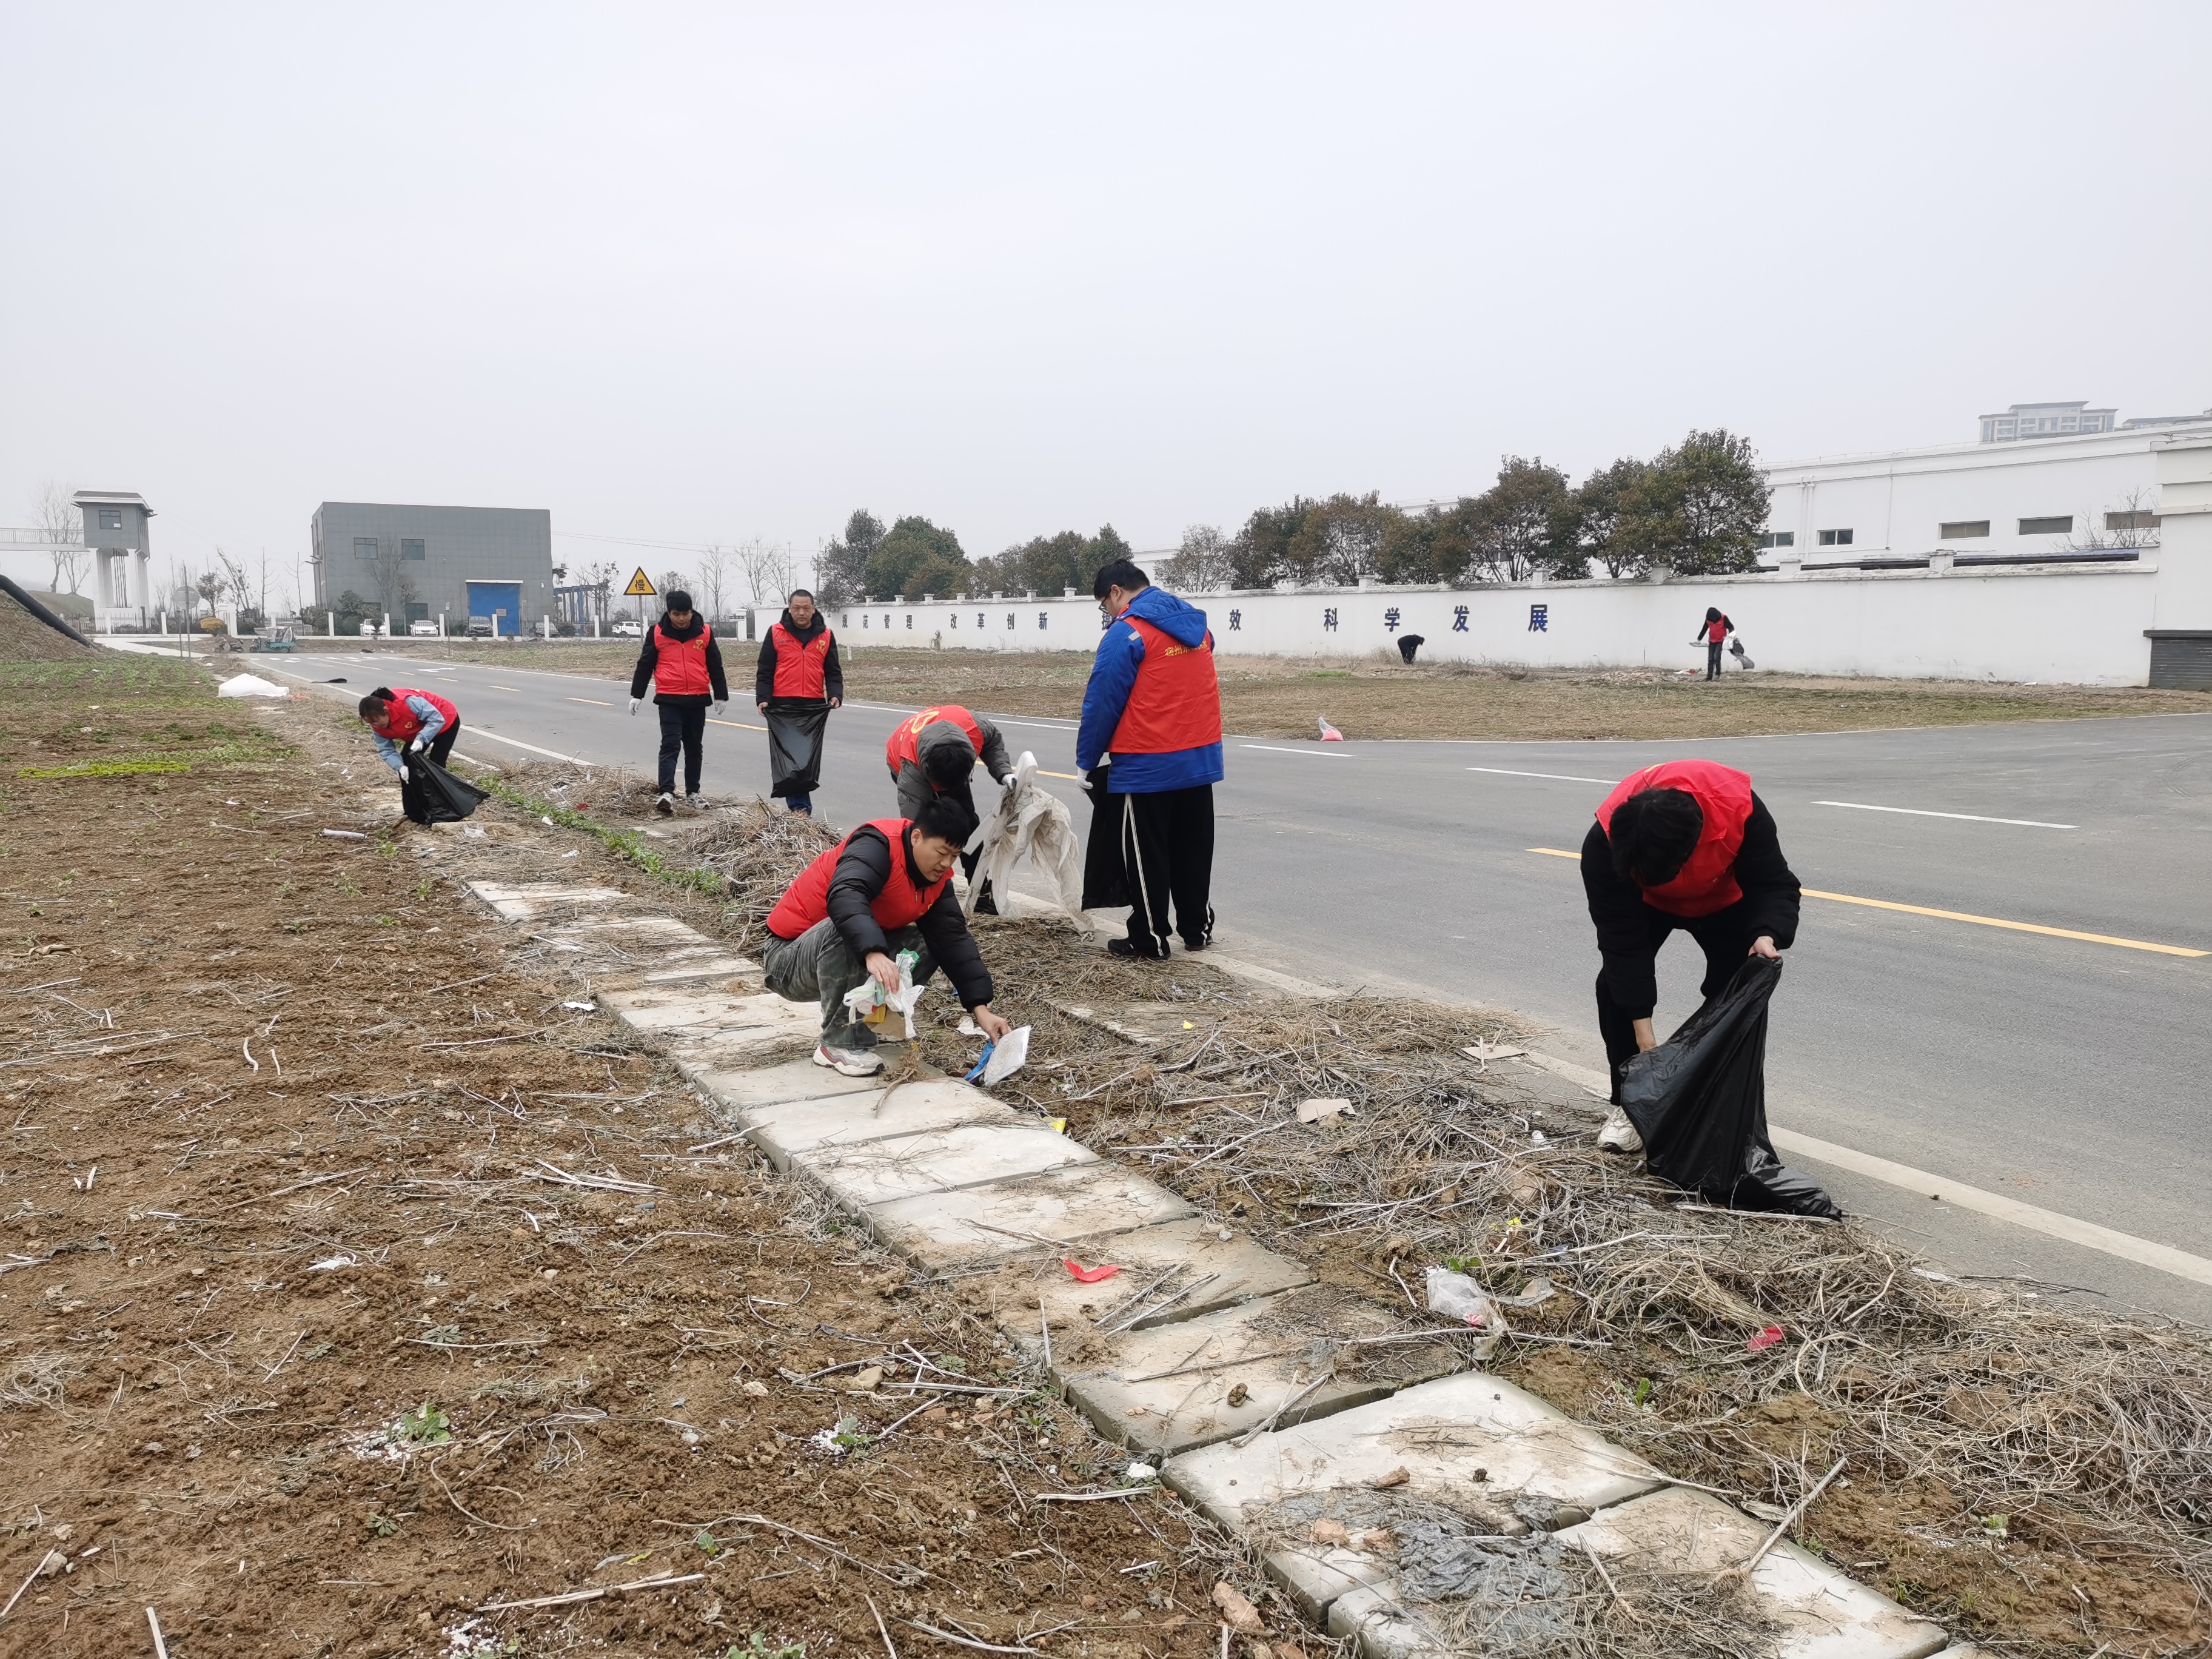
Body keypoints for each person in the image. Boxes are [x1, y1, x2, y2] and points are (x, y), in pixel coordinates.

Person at [1581, 759, 1801, 1151]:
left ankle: (1722, 1108)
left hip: (1725, 901)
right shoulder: (1606, 840)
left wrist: (1767, 934)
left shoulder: (1741, 810)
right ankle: (1629, 1105)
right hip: (1646, 905)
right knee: (1614, 988)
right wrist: (1646, 1045)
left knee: (1736, 994)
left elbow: (1774, 884)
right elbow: (1622, 943)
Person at [761, 794, 1014, 1075]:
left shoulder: (937, 881)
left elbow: (952, 939)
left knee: (929, 945)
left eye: (954, 856)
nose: (946, 864)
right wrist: (873, 952)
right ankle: (837, 1045)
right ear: (917, 837)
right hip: (787, 960)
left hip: (831, 958)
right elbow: (846, 896)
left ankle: (872, 1024)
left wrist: (981, 1010)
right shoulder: (876, 846)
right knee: (845, 926)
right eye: (941, 853)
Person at [1075, 557, 1223, 959]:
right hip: (1199, 761)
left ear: (1117, 593)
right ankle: (1197, 929)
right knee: (1193, 850)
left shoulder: (1129, 634)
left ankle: (1150, 938)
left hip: (1147, 766)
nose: (1108, 613)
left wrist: (1086, 759)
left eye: (1105, 604)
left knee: (1146, 855)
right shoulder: (1198, 629)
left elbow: (1103, 702)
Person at [884, 703, 1014, 911]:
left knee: (969, 825)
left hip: (947, 764)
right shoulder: (912, 773)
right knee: (933, 837)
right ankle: (928, 896)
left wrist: (1004, 772)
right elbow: (915, 831)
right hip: (906, 758)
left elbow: (993, 743)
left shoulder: (974, 728)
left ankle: (982, 894)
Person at [627, 590, 729, 814]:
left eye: (686, 613)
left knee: (694, 748)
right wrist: (637, 694)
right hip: (669, 699)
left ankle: (693, 793)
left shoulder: (704, 632)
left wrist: (721, 694)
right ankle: (666, 792)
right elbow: (645, 665)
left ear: (692, 612)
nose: (682, 619)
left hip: (697, 698)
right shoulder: (657, 633)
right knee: (670, 745)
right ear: (669, 612)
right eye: (676, 614)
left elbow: (715, 664)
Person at [754, 588, 842, 815]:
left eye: (806, 608)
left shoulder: (825, 635)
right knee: (792, 758)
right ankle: (800, 807)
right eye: (796, 608)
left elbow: (833, 671)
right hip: (783, 705)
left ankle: (800, 806)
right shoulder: (776, 632)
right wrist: (763, 698)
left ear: (814, 609)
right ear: (789, 608)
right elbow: (765, 669)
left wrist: (835, 694)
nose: (801, 612)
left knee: (807, 759)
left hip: (813, 706)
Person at [360, 685, 461, 822]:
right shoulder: (377, 727)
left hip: (444, 720)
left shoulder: (408, 704)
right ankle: (415, 813)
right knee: (407, 763)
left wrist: (421, 739)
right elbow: (386, 750)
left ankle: (441, 809)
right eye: (370, 722)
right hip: (418, 729)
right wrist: (399, 767)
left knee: (435, 765)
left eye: (376, 720)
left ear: (386, 710)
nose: (375, 725)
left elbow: (437, 720)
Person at [1694, 608, 1735, 680]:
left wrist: (1730, 637)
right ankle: (1709, 676)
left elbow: (1731, 627)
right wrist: (1699, 639)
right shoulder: (1709, 619)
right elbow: (1705, 628)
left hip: (1720, 641)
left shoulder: (1723, 618)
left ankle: (1717, 674)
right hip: (1712, 641)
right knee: (1710, 659)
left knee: (1717, 657)